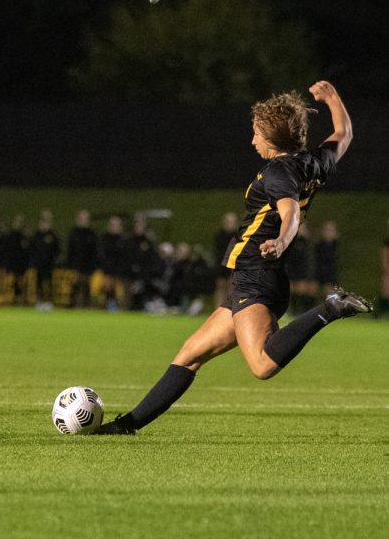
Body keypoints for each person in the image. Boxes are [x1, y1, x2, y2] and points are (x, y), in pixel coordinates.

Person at [97, 81, 371, 436]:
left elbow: (290, 213)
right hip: (260, 277)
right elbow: (344, 135)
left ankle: (330, 308)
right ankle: (127, 426)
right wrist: (333, 98)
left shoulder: (277, 172)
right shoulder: (312, 163)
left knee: (261, 365)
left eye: (256, 132)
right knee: (191, 353)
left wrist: (281, 239)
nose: (252, 139)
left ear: (271, 137)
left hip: (258, 273)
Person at [66, 209, 99, 309]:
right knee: (75, 288)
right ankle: (73, 307)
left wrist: (93, 267)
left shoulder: (92, 234)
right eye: (81, 218)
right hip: (75, 267)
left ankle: (86, 307)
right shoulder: (73, 233)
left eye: (85, 218)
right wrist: (70, 266)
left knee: (86, 289)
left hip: (88, 268)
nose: (83, 220)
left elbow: (95, 252)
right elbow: (70, 252)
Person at [284, 223, 317, 316]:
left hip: (303, 270)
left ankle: (304, 311)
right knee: (292, 290)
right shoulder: (291, 242)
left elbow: (310, 257)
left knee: (302, 290)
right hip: (292, 269)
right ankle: (294, 311)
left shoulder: (308, 243)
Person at [31, 209, 60, 311]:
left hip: (49, 264)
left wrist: (54, 260)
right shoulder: (37, 234)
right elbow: (33, 248)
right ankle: (38, 301)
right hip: (39, 264)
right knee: (38, 284)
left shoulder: (53, 234)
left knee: (49, 283)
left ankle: (49, 302)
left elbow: (57, 249)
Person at [100, 215, 128, 311]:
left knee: (121, 288)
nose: (114, 227)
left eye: (116, 225)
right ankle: (109, 304)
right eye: (112, 225)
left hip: (121, 268)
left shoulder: (123, 239)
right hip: (109, 267)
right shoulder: (105, 238)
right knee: (108, 286)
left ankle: (123, 306)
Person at [2, 214, 31, 305]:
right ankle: (11, 298)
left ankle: (22, 298)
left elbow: (28, 252)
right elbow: (5, 250)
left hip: (22, 265)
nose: (18, 224)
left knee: (22, 282)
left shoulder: (25, 237)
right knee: (12, 282)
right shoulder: (9, 237)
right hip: (11, 264)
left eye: (20, 222)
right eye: (16, 222)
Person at [213, 212, 239, 307]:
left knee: (231, 287)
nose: (230, 224)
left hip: (233, 264)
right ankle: (218, 308)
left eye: (232, 222)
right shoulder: (219, 235)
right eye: (228, 221)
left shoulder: (238, 236)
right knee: (220, 287)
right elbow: (217, 252)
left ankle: (229, 308)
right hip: (221, 264)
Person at [314, 220, 340, 296]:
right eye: (326, 230)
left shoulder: (338, 247)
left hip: (333, 279)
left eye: (330, 230)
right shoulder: (318, 247)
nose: (328, 232)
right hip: (320, 277)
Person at [380, 219, 389, 318]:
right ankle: (385, 313)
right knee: (386, 289)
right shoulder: (387, 241)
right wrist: (386, 268)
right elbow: (384, 256)